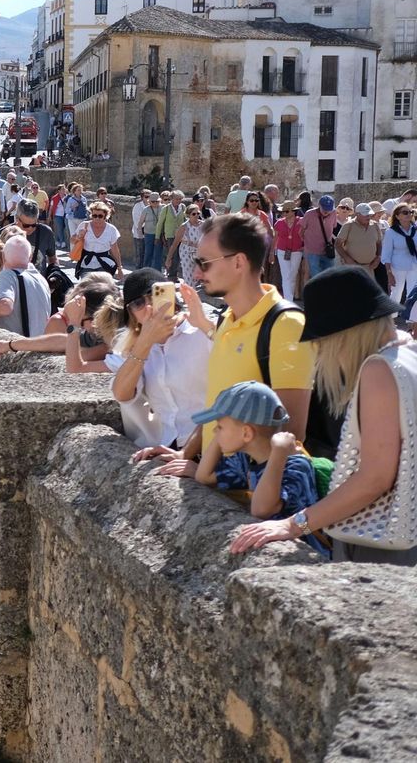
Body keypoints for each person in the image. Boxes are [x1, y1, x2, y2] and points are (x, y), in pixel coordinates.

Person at [231, 267, 415, 562]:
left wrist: (294, 524)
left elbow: (376, 477)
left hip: (384, 542)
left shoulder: (378, 370)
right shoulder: (408, 353)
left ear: (341, 335)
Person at [147, 213, 314, 473]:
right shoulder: (227, 319)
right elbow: (219, 405)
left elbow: (289, 434)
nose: (198, 272)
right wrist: (186, 453)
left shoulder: (286, 325)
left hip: (246, 497)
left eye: (204, 263)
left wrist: (213, 475)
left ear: (238, 262)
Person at [192, 381, 328, 556]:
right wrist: (224, 435)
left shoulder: (296, 466)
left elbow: (261, 509)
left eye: (219, 427)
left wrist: (278, 453)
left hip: (302, 558)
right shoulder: (247, 459)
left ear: (247, 434)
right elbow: (204, 477)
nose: (214, 433)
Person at [99, 269, 211, 451]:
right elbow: (122, 394)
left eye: (154, 295)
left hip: (210, 445)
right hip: (169, 445)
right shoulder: (135, 348)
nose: (148, 305)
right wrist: (145, 342)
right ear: (131, 313)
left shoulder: (199, 333)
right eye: (138, 303)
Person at [384, 202, 417, 324]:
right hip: (397, 266)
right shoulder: (391, 232)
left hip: (414, 265)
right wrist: (389, 273)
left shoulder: (415, 230)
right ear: (397, 216)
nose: (409, 214)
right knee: (396, 293)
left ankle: (412, 321)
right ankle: (390, 320)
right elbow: (386, 254)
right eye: (405, 212)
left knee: (413, 293)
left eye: (410, 212)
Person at [72, 201, 122, 276]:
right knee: (87, 286)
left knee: (102, 286)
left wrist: (119, 268)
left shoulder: (111, 229)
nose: (97, 218)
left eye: (100, 216)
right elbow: (72, 240)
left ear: (105, 216)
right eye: (94, 216)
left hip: (104, 264)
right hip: (87, 263)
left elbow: (115, 250)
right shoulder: (84, 225)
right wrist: (79, 236)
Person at [336, 203, 381, 276]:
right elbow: (338, 244)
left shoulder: (375, 225)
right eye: (365, 215)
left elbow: (379, 243)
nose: (368, 217)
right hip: (352, 268)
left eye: (369, 214)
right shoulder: (348, 225)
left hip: (369, 268)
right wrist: (347, 258)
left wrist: (378, 257)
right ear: (357, 214)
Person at [273, 201, 305, 302]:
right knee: (286, 275)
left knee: (293, 274)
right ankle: (288, 301)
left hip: (297, 251)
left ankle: (288, 299)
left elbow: (307, 235)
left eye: (286, 211)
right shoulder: (279, 223)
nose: (284, 214)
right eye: (283, 212)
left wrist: (305, 246)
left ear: (293, 211)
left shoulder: (302, 222)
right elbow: (275, 238)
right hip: (282, 251)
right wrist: (271, 252)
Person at [301, 194, 337, 278]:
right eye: (324, 208)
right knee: (316, 277)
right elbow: (301, 231)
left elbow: (333, 227)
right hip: (312, 251)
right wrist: (306, 244)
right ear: (319, 205)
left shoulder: (333, 213)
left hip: (327, 250)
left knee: (330, 276)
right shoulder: (309, 214)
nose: (327, 211)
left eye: (329, 209)